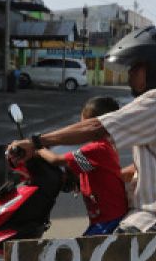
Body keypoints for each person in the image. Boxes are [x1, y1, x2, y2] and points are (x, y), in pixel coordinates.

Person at [7, 26, 156, 235]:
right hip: (154, 210)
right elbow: (142, 163)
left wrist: (36, 143)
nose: (130, 72)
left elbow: (95, 128)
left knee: (88, 260)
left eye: (136, 66)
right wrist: (79, 179)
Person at [31, 95, 127, 235]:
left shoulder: (96, 149)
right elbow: (86, 166)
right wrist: (74, 177)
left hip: (109, 219)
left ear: (94, 125)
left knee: (85, 253)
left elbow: (56, 160)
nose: (79, 131)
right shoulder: (105, 146)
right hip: (107, 215)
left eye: (82, 126)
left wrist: (37, 147)